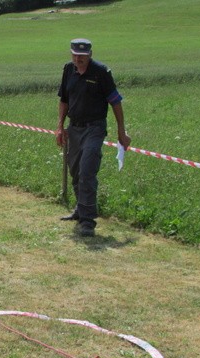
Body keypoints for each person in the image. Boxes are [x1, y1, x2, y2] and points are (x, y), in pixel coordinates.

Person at [56, 39, 131, 237]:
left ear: (90, 54)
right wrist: (59, 127)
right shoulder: (68, 70)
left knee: (87, 170)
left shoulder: (101, 72)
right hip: (74, 128)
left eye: (82, 55)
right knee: (75, 171)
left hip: (94, 128)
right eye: (75, 55)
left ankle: (88, 220)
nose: (78, 59)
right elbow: (64, 100)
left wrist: (121, 131)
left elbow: (115, 102)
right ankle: (80, 209)